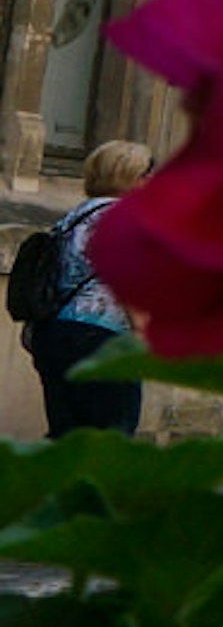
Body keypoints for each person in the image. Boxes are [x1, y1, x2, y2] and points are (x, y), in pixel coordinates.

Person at [26, 142, 150, 436]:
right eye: (147, 173)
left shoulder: (70, 219)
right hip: (103, 339)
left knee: (67, 437)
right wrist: (142, 332)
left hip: (54, 336)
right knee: (112, 438)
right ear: (128, 176)